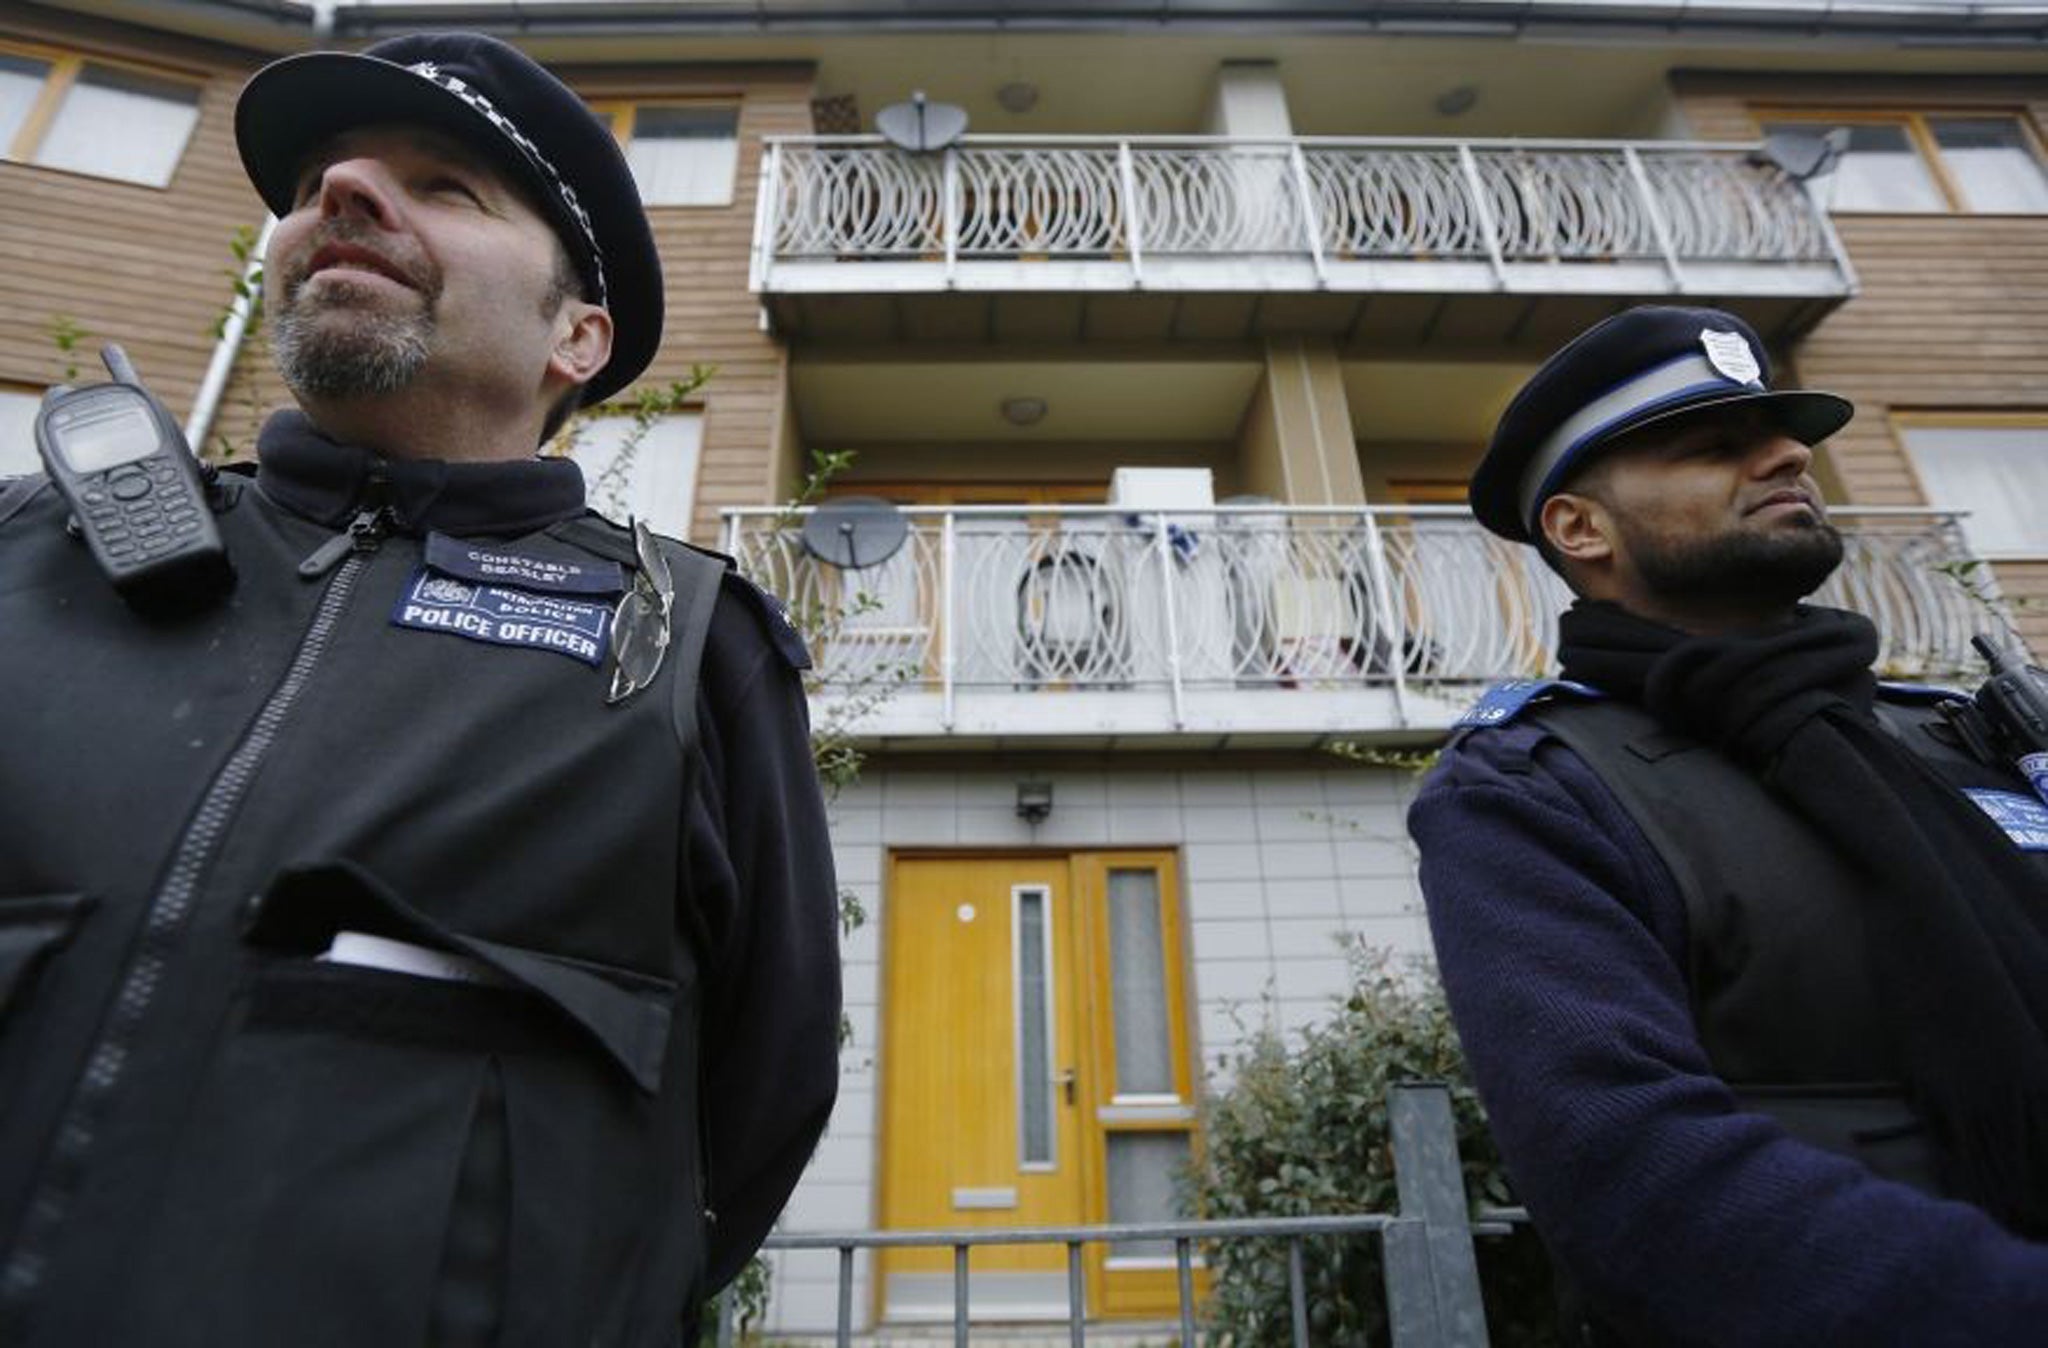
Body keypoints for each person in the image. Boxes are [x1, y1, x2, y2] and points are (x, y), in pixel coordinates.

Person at [0, 32, 839, 1347]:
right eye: (326, 180)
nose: (343, 192)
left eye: (445, 187)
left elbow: (751, 1114)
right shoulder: (26, 560)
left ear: (580, 335)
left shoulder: (689, 646)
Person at [1409, 306, 2048, 1345]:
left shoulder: (1958, 735)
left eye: (1783, 435)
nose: (1790, 454)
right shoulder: (1534, 788)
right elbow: (1629, 1171)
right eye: (1713, 445)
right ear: (1580, 529)